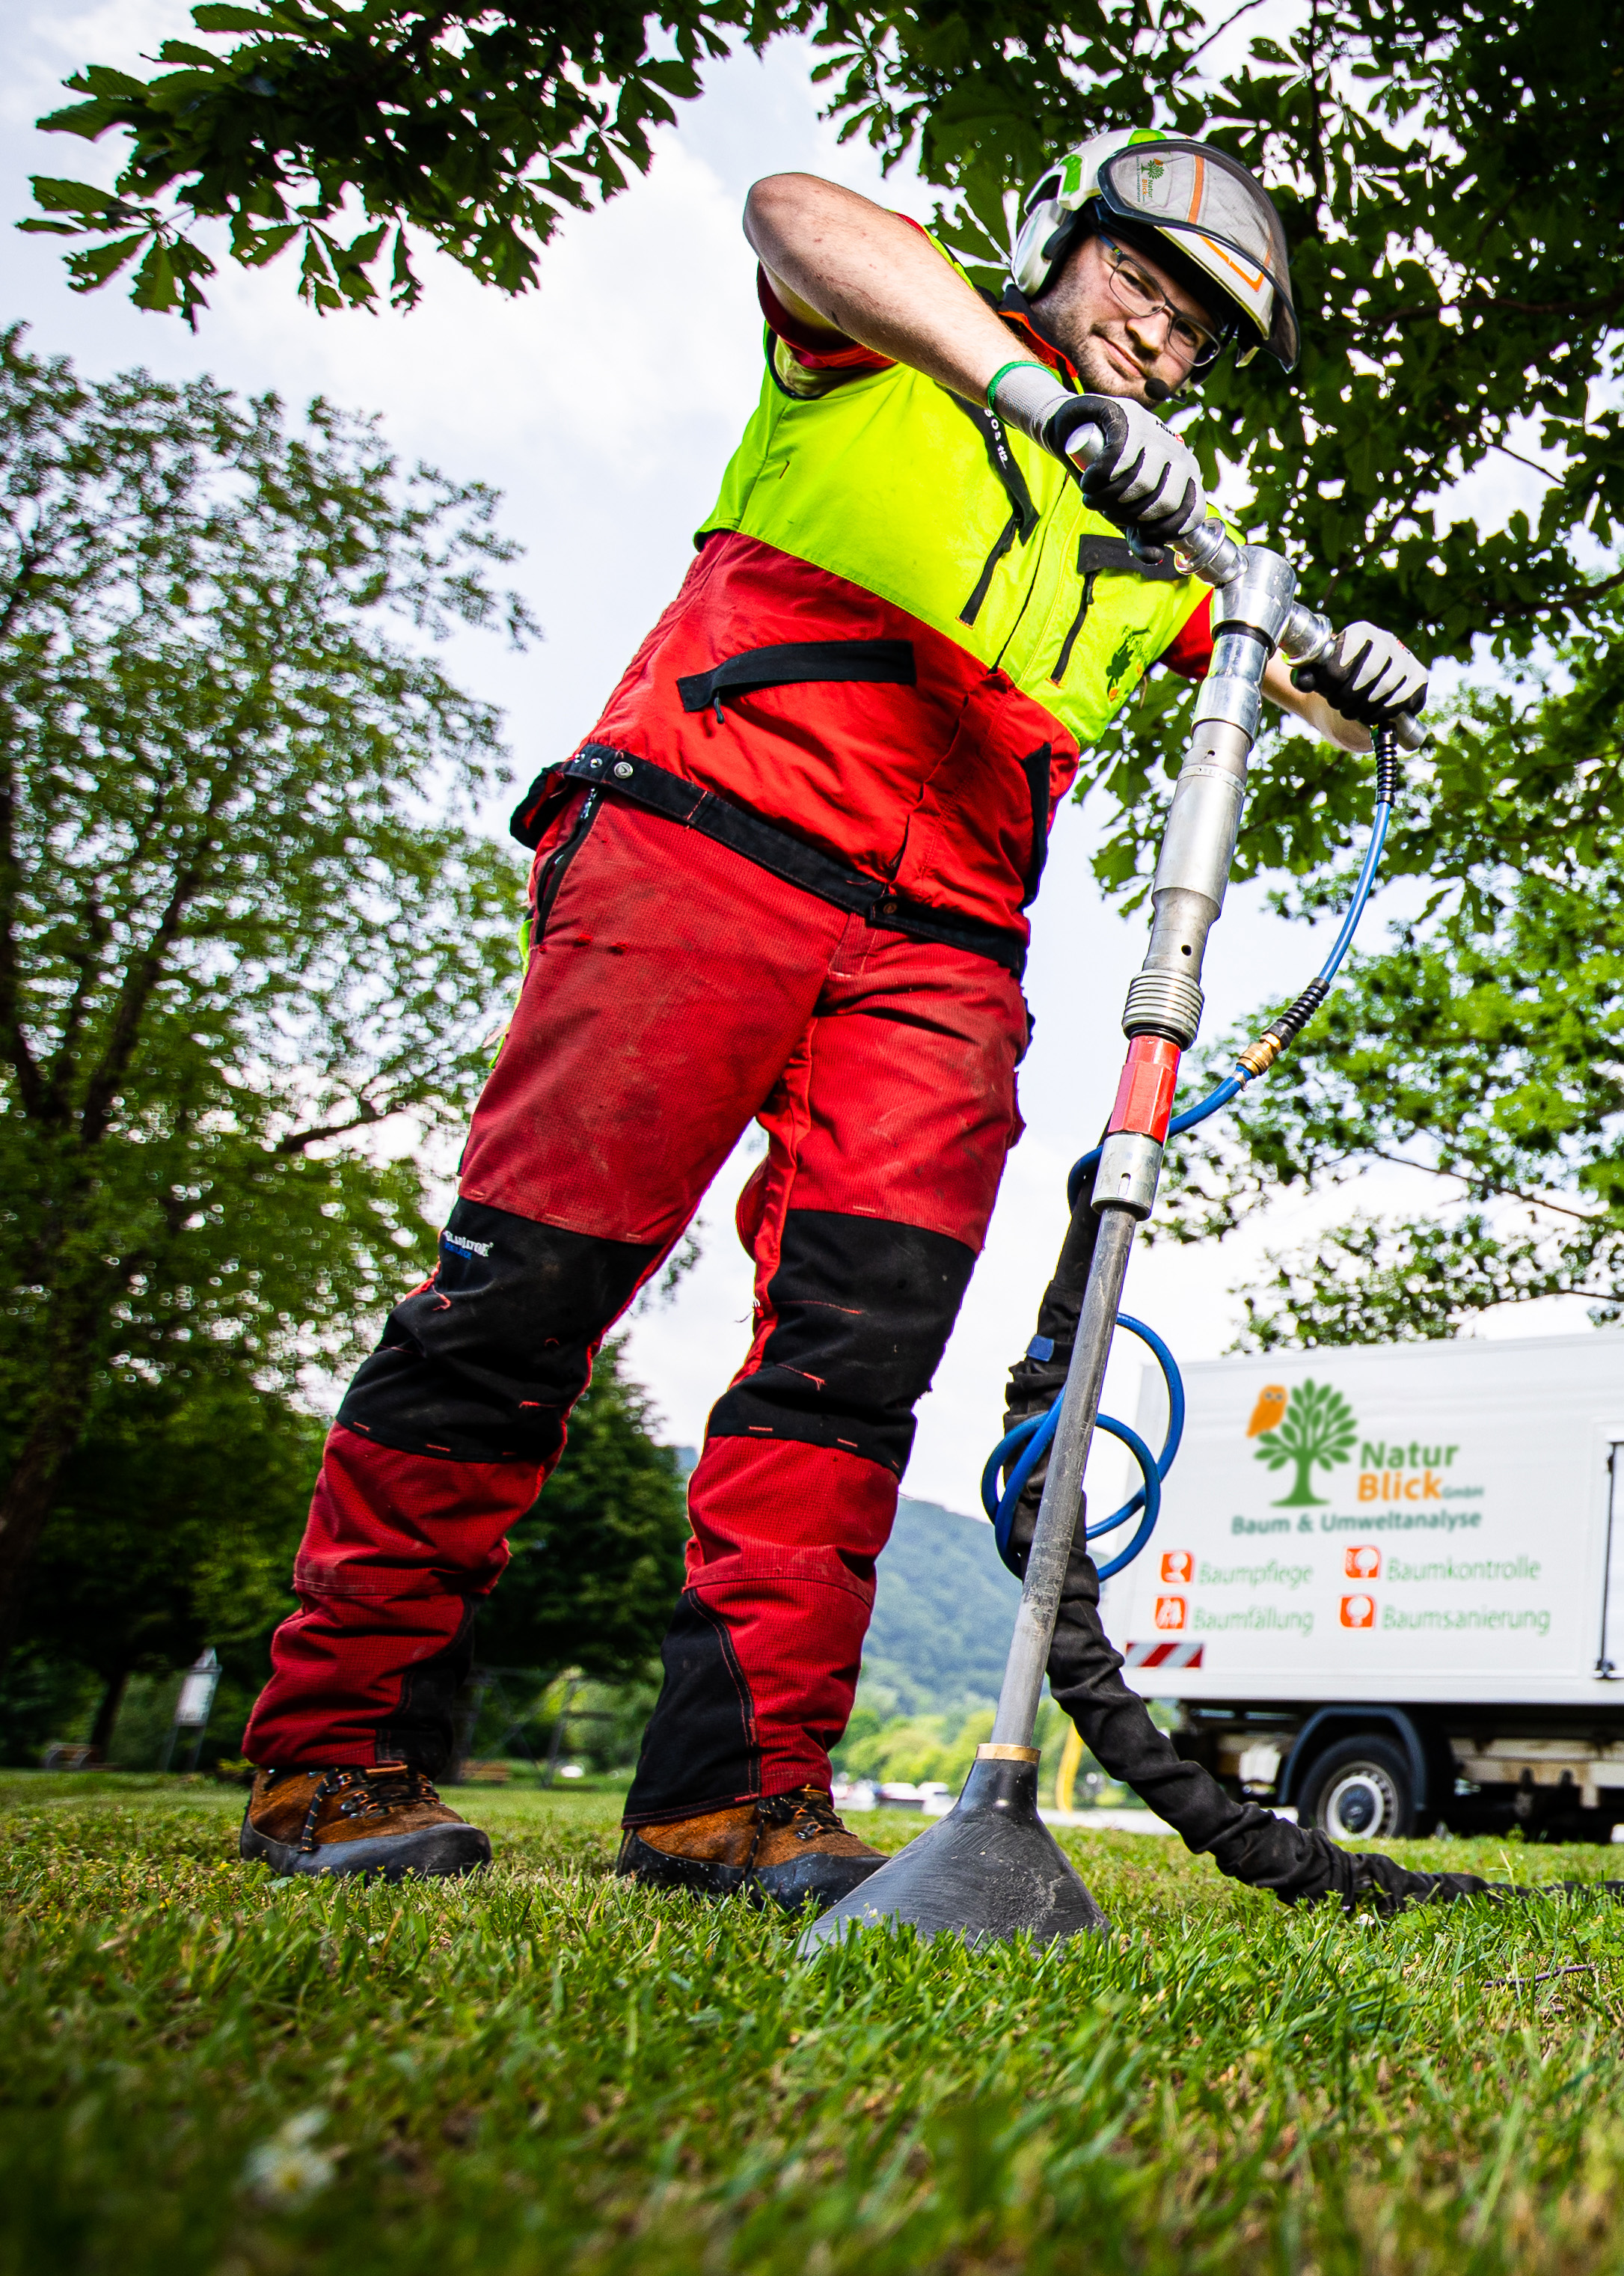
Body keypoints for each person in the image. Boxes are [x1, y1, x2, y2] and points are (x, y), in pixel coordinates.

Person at [231, 133, 1427, 1903]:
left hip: (942, 949)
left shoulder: (1148, 541)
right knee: (528, 1287)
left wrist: (1357, 670)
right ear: (1059, 252)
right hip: (704, 843)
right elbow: (791, 213)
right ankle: (335, 1755)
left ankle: (735, 1800)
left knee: (856, 1360)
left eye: (1189, 337)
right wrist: (1030, 387)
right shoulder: (883, 352)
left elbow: (1280, 672)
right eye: (1138, 288)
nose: (1155, 341)